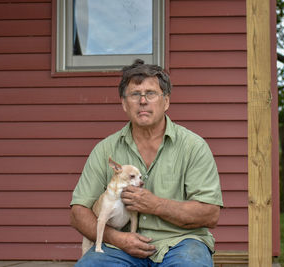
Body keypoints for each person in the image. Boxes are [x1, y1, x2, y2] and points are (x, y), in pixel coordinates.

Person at [70, 59, 223, 267]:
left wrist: (156, 205)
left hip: (181, 243)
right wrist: (117, 238)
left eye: (151, 94)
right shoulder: (105, 150)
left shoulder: (193, 147)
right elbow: (78, 213)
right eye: (135, 94)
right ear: (124, 103)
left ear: (166, 101)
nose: (143, 101)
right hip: (119, 248)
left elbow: (210, 214)